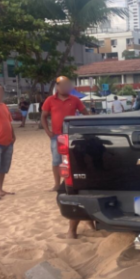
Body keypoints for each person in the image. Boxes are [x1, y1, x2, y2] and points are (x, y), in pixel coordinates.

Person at [41, 76, 90, 239]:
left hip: (71, 135)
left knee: (72, 162)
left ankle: (67, 184)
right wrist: (48, 132)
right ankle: (57, 184)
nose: (66, 87)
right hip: (56, 135)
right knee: (56, 161)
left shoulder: (75, 99)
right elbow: (43, 116)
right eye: (62, 85)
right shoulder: (50, 100)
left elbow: (85, 113)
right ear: (57, 86)